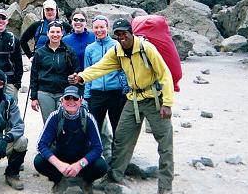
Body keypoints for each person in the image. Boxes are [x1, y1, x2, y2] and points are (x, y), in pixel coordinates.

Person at [68, 18, 175, 194]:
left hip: (155, 100)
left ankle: (165, 188)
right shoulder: (117, 50)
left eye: (124, 33)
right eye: (118, 34)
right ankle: (114, 177)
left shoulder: (146, 48)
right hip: (133, 99)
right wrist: (81, 77)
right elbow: (101, 67)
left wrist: (168, 103)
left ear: (131, 32)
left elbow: (165, 75)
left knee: (165, 144)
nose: (121, 37)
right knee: (121, 139)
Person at [34, 86, 108, 194]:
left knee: (101, 165)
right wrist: (59, 164)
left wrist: (79, 165)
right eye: (67, 98)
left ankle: (85, 181)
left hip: (82, 156)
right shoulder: (54, 117)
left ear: (81, 100)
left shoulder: (88, 118)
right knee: (39, 161)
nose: (71, 101)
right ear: (62, 100)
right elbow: (41, 145)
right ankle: (59, 180)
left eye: (75, 98)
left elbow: (98, 148)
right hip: (61, 155)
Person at [83, 15, 128, 161]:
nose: (99, 30)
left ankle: (117, 160)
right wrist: (87, 94)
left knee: (118, 128)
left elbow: (123, 69)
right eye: (96, 27)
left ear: (107, 27)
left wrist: (124, 90)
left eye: (102, 27)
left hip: (115, 93)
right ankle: (95, 159)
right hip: (96, 94)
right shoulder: (90, 49)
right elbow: (88, 71)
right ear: (92, 28)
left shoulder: (117, 45)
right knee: (94, 128)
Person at [29, 20, 80, 123]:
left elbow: (76, 71)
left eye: (58, 32)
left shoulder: (69, 51)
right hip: (44, 92)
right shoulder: (40, 53)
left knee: (64, 123)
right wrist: (33, 97)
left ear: (62, 33)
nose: (55, 35)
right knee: (49, 123)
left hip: (64, 92)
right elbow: (34, 76)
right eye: (52, 32)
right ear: (47, 34)